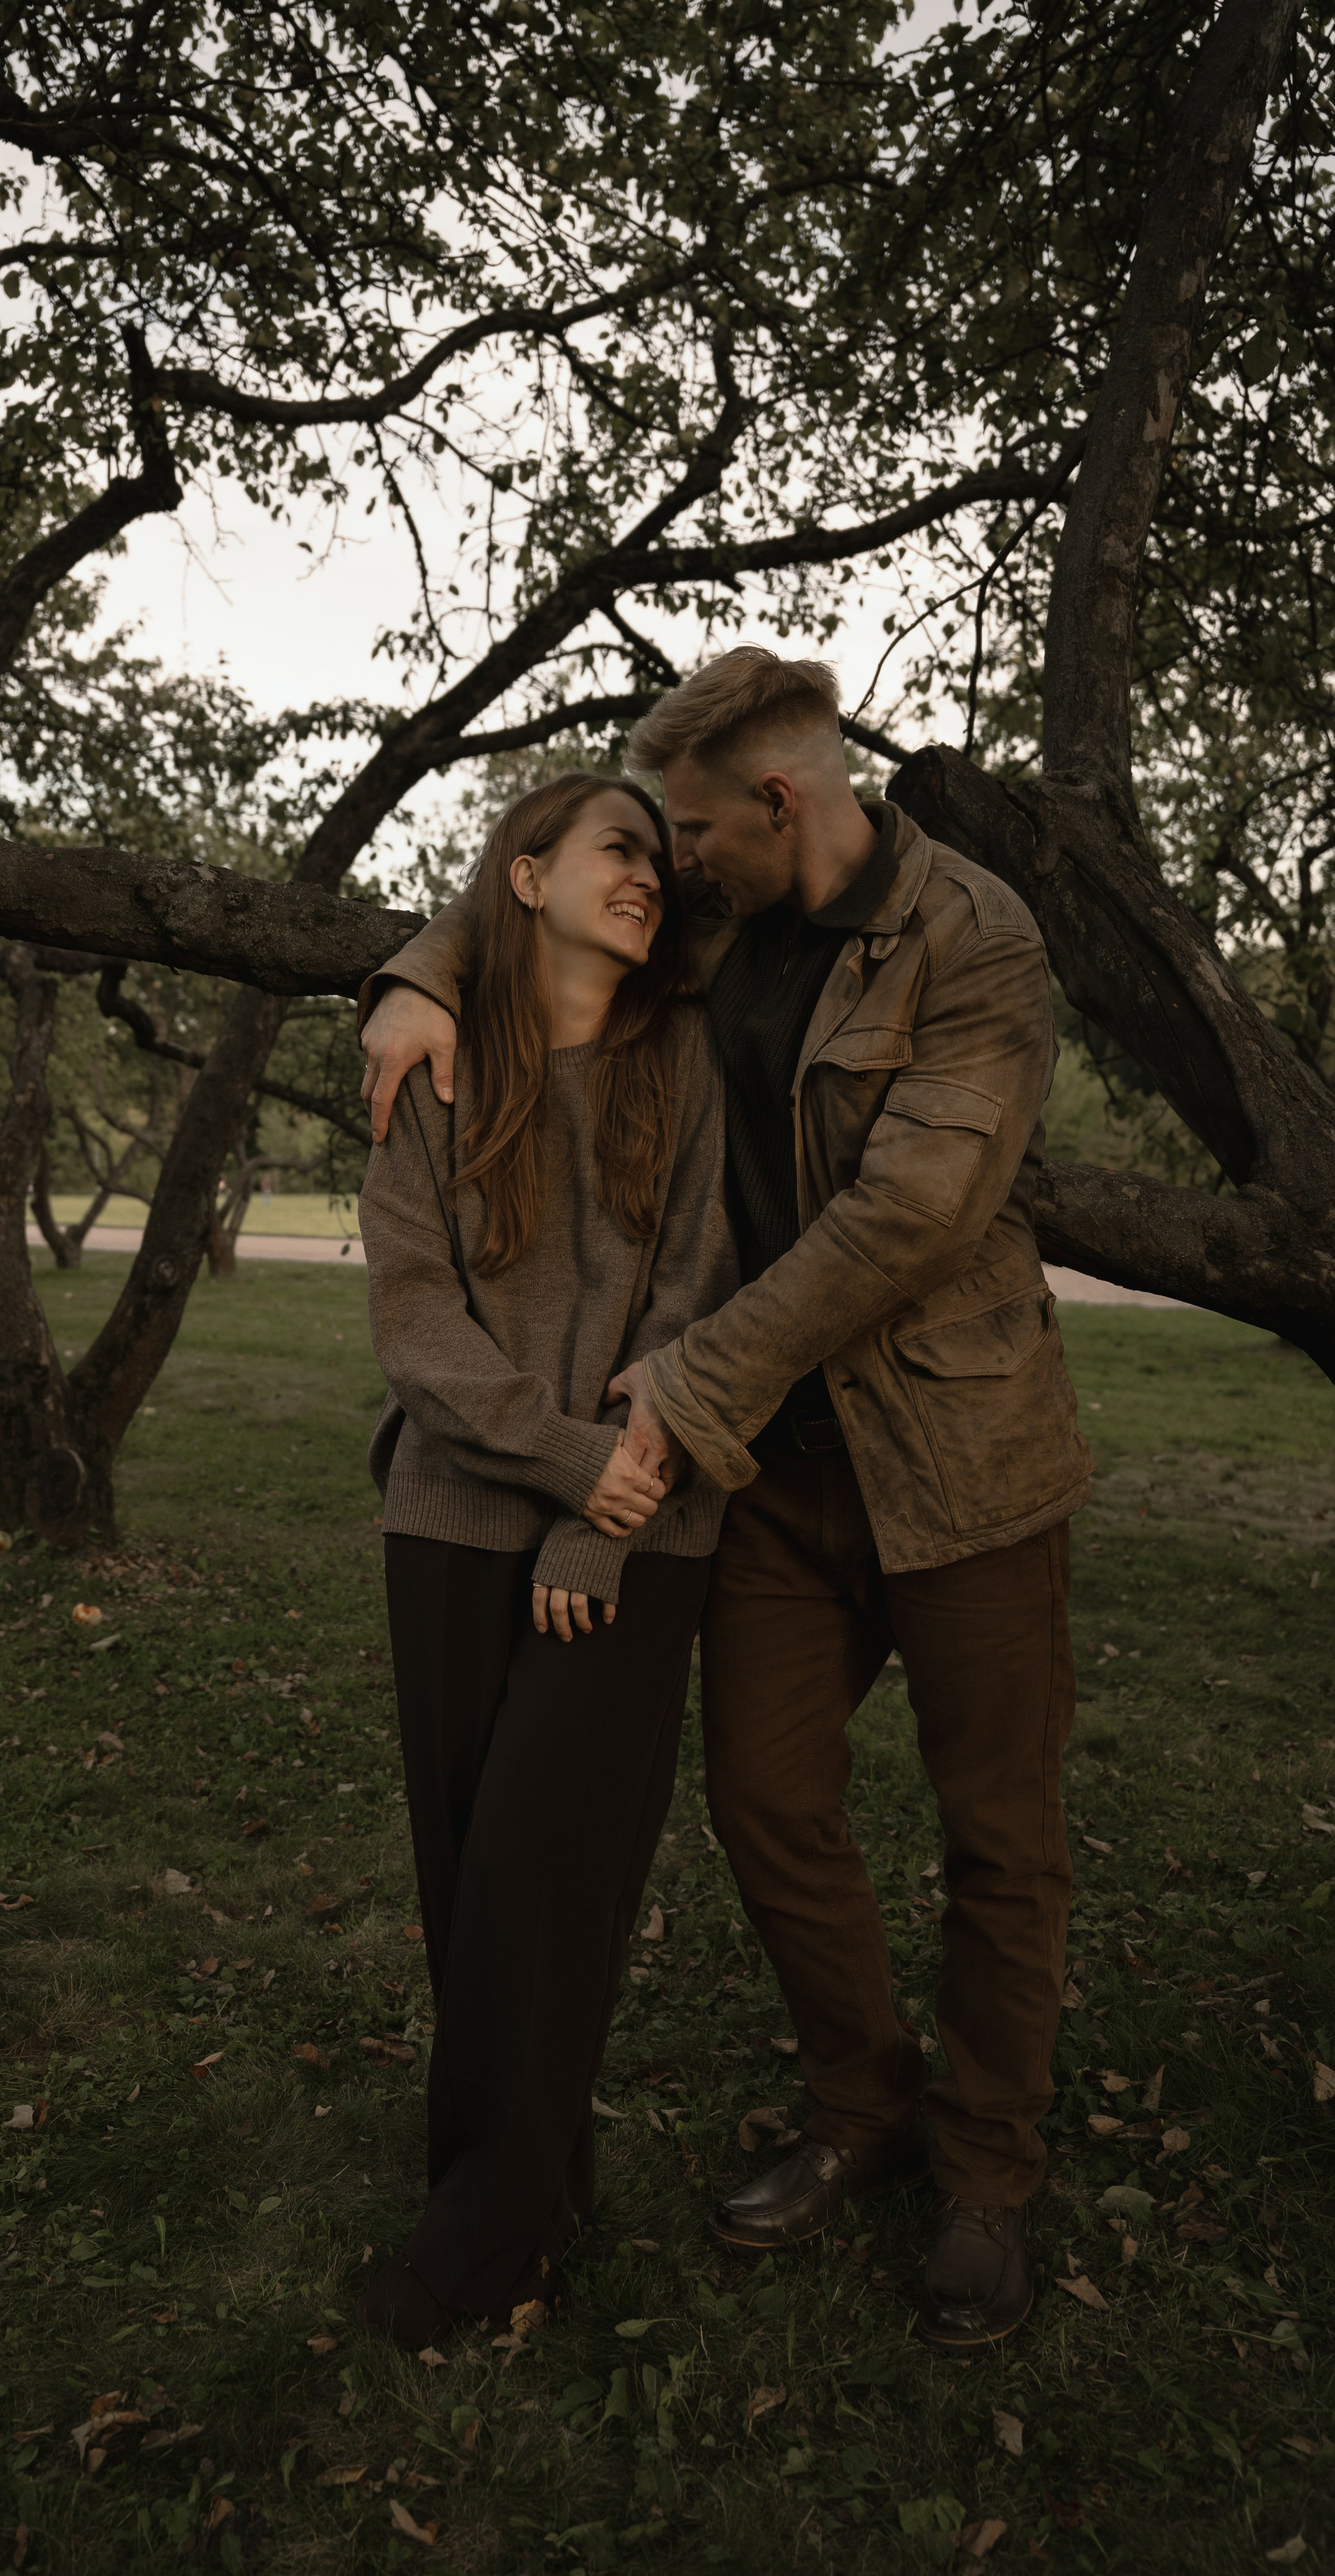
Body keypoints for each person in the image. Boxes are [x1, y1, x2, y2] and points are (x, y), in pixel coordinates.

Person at [359, 648, 1092, 2351]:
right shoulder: (713, 922)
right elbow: (524, 909)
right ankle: (863, 2102)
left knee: (997, 1834)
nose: (671, 863)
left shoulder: (973, 939)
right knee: (767, 1808)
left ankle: (983, 2170)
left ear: (781, 803)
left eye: (692, 829)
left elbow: (904, 1216)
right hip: (766, 1479)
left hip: (956, 1455)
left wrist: (674, 1398)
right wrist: (405, 971)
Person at [356, 769, 738, 2351]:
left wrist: (600, 1514)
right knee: (467, 1881)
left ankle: (482, 2247)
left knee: (542, 1875)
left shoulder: (687, 1062)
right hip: (447, 1520)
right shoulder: (438, 1067)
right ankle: (519, 2173)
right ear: (521, 878)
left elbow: (696, 1299)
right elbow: (414, 1325)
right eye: (613, 850)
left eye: (657, 856)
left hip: (640, 1533)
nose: (645, 874)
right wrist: (575, 1463)